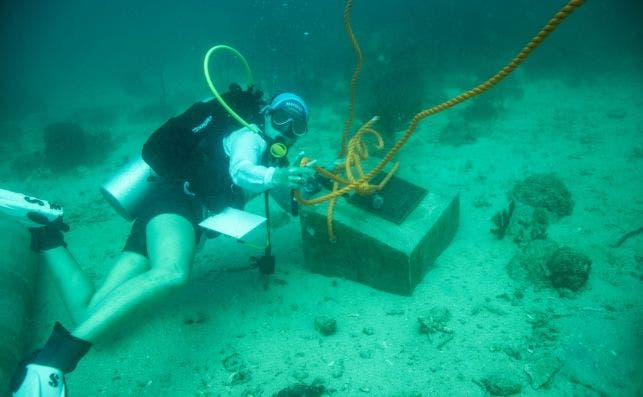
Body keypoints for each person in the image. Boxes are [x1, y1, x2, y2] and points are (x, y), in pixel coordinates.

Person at [7, 83, 313, 396]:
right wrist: (274, 176)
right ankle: (50, 363)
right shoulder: (248, 136)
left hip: (171, 216)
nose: (286, 130)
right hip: (176, 206)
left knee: (89, 314)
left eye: (297, 126)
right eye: (280, 118)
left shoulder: (273, 163)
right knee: (172, 273)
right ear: (266, 114)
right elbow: (241, 171)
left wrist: (312, 183)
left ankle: (44, 231)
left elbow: (288, 202)